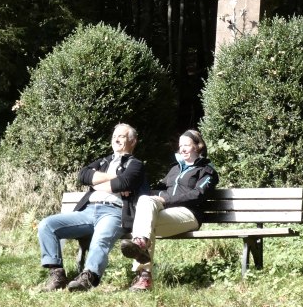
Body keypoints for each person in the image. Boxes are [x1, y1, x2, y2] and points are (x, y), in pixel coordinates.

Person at [37, 123, 145, 292]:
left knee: (100, 240)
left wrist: (97, 183)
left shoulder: (136, 164)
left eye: (122, 136)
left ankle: (88, 277)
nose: (116, 139)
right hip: (87, 212)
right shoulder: (103, 161)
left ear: (133, 141)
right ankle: (57, 275)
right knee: (47, 225)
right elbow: (83, 175)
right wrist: (113, 178)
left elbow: (124, 182)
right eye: (114, 136)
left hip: (114, 213)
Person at [120, 129, 219, 291]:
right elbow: (158, 189)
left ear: (198, 146)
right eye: (180, 146)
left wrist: (166, 199)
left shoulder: (207, 171)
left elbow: (197, 195)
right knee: (145, 206)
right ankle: (141, 251)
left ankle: (142, 265)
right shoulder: (175, 169)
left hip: (189, 215)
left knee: (146, 223)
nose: (182, 149)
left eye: (187, 145)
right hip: (167, 212)